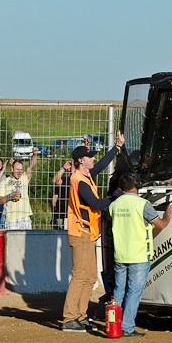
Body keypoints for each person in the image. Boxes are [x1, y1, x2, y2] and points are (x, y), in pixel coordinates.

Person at [61, 131, 124, 332]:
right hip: (80, 233)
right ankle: (70, 317)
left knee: (89, 277)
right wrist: (117, 198)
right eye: (90, 156)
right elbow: (95, 203)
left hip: (86, 233)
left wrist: (117, 147)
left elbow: (103, 163)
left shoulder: (85, 175)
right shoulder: (78, 180)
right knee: (80, 275)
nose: (93, 158)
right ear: (81, 160)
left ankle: (80, 315)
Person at [109, 175, 172, 337]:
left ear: (121, 189)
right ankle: (126, 327)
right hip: (138, 254)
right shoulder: (142, 204)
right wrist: (168, 216)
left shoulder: (114, 205)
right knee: (134, 292)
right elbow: (161, 224)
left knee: (119, 290)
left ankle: (113, 325)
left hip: (120, 254)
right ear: (136, 187)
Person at [0, 148, 38, 230]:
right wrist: (9, 196)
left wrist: (34, 154)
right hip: (11, 219)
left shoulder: (24, 178)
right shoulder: (5, 182)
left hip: (25, 217)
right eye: (17, 169)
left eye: (21, 170)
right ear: (12, 169)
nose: (19, 172)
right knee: (12, 242)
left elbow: (31, 166)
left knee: (27, 242)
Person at [51, 160, 72, 229]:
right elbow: (55, 180)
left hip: (74, 215)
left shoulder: (79, 180)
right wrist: (64, 168)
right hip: (62, 214)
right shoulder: (64, 180)